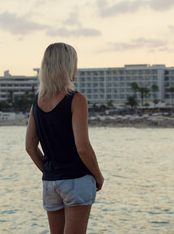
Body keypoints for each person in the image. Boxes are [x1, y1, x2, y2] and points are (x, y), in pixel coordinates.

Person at [25, 42, 104, 234]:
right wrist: (98, 176)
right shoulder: (76, 100)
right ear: (68, 66)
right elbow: (82, 147)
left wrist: (50, 170)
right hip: (76, 178)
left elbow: (29, 147)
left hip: (50, 183)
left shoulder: (38, 101)